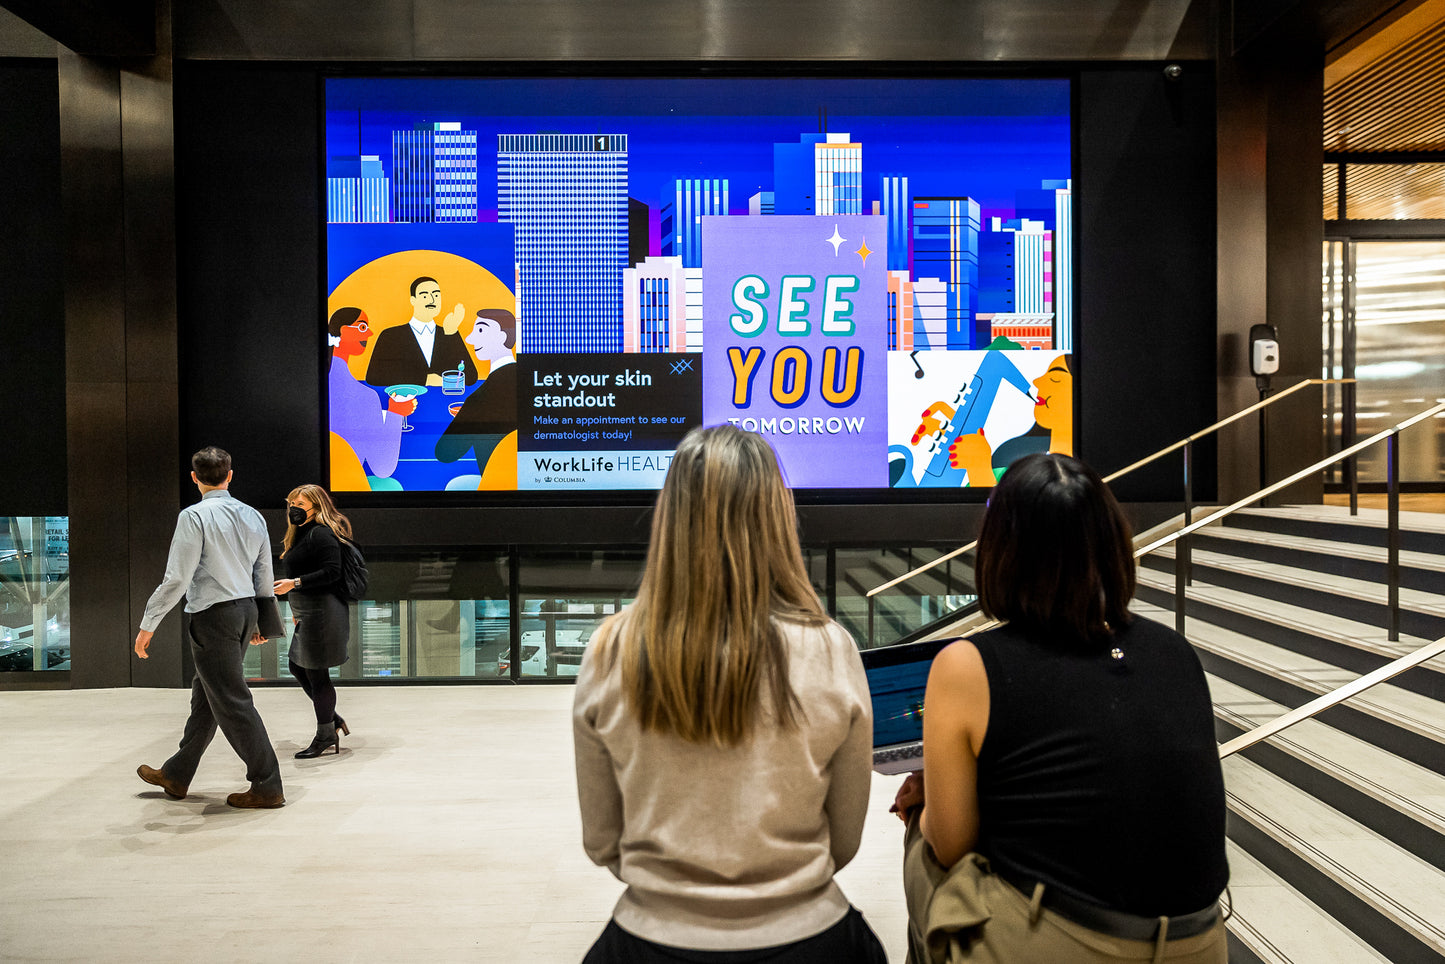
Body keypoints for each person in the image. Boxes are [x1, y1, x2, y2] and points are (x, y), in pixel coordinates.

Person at [892, 453, 1228, 963]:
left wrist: (926, 801)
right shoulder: (1176, 652)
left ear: (999, 550)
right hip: (1201, 943)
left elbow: (952, 845)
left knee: (926, 848)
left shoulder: (966, 665)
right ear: (1114, 543)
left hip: (1066, 944)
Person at [573, 425, 888, 964]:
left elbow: (603, 839)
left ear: (672, 517)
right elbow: (844, 838)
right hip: (812, 937)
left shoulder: (610, 650)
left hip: (650, 938)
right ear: (776, 517)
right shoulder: (832, 649)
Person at [133, 446, 285, 809]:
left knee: (231, 701)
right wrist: (262, 620)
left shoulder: (193, 516)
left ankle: (267, 784)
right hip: (245, 610)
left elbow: (177, 578)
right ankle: (176, 773)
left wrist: (148, 624)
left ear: (194, 477)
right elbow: (264, 575)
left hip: (214, 618)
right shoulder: (253, 516)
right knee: (207, 697)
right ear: (230, 475)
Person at [272, 484, 353, 758]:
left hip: (323, 612)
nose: (293, 508)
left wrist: (295, 583)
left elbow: (332, 572)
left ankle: (325, 734)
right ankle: (331, 720)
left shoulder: (321, 534)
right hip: (309, 611)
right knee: (297, 666)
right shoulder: (302, 533)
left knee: (317, 673)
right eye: (291, 502)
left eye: (300, 503)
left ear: (316, 507)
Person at [912, 354, 1074, 488]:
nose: (1037, 381)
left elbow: (1012, 520)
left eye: (1054, 377)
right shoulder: (1009, 455)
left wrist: (980, 469)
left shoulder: (1082, 478)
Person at [327, 306, 415, 479]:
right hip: (351, 481)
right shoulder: (365, 397)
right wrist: (395, 412)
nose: (369, 334)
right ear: (342, 331)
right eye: (362, 327)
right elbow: (383, 468)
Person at [435, 308, 518, 478]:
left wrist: (466, 419)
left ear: (503, 337)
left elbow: (444, 453)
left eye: (480, 330)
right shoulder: (535, 381)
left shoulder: (479, 400)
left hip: (494, 484)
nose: (469, 338)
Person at [363, 276, 479, 389]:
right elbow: (374, 376)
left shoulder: (448, 333)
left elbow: (470, 377)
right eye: (424, 296)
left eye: (436, 295)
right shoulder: (390, 335)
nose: (432, 300)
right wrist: (425, 379)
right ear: (413, 300)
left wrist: (452, 332)